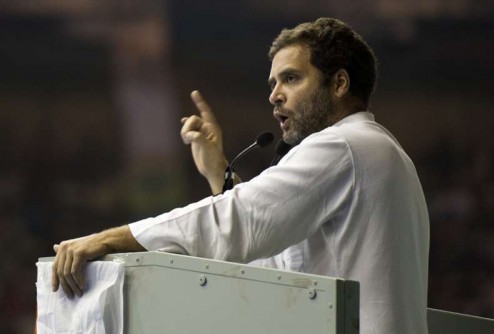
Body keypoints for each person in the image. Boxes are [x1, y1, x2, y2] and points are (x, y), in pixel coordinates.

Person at [51, 18, 429, 334]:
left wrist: (108, 240)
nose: (275, 95)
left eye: (291, 78)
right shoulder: (374, 152)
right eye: (273, 84)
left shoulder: (343, 146)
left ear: (339, 84)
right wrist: (218, 170)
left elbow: (241, 222)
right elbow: (273, 260)